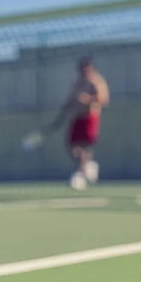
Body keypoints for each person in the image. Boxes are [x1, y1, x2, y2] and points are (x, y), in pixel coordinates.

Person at [46, 56, 109, 190]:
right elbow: (70, 101)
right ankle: (88, 165)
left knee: (85, 147)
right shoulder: (77, 83)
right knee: (72, 148)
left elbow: (104, 99)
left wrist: (87, 99)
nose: (85, 71)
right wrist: (60, 118)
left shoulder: (97, 82)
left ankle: (79, 176)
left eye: (88, 68)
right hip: (77, 118)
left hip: (90, 117)